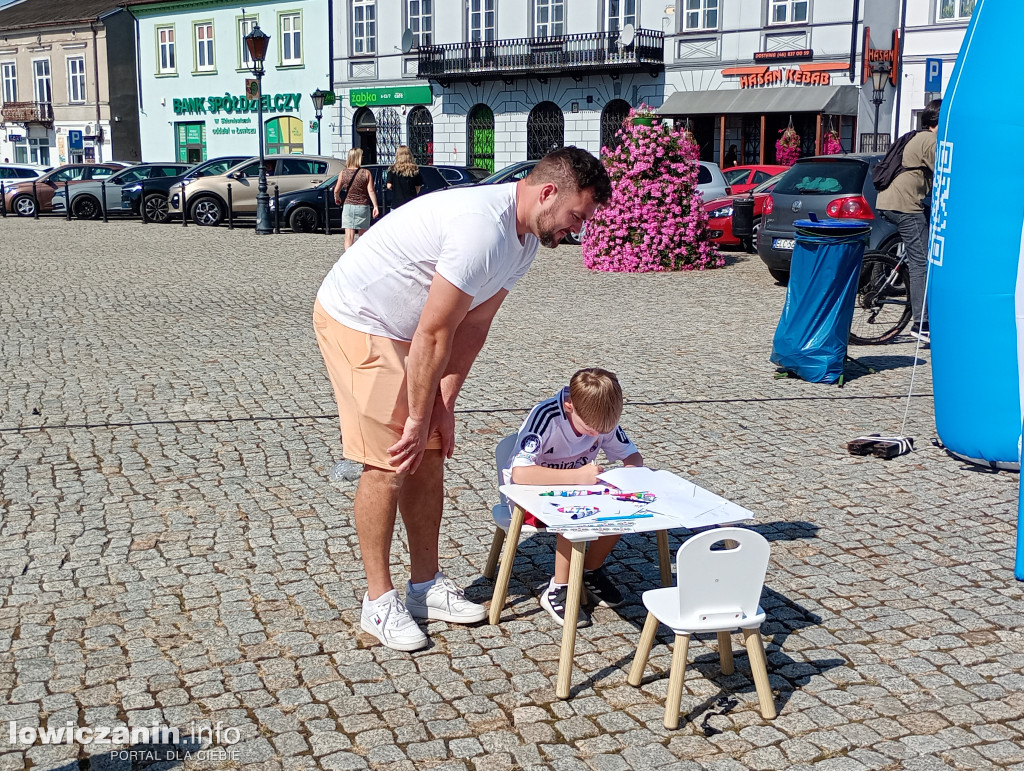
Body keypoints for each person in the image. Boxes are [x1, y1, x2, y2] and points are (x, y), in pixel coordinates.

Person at [313, 147, 611, 651]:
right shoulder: (481, 230)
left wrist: (442, 406)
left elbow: (473, 325)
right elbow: (434, 332)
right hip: (359, 318)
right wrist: (414, 417)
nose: (575, 230)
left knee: (429, 454)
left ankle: (424, 587)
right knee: (390, 459)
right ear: (546, 193)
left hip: (408, 330)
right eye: (575, 216)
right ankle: (377, 601)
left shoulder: (525, 243)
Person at [504, 368, 643, 627]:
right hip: (530, 494)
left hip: (577, 486)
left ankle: (589, 571)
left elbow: (632, 456)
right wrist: (578, 476)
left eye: (602, 430)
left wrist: (629, 477)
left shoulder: (599, 413)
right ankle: (559, 587)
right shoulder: (547, 416)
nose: (595, 435)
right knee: (573, 518)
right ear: (569, 406)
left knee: (621, 509)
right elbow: (520, 473)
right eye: (589, 429)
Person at [876, 98, 941, 344]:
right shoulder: (930, 141)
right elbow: (947, 171)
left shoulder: (914, 135)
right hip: (905, 205)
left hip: (890, 201)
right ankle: (921, 323)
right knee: (920, 263)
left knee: (924, 236)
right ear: (940, 120)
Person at [333, 148, 379, 252]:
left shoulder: (343, 173)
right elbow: (371, 190)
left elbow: (336, 190)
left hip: (348, 206)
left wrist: (337, 198)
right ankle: (361, 258)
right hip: (363, 206)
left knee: (349, 236)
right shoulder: (366, 173)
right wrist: (375, 206)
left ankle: (348, 258)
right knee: (363, 236)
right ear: (358, 158)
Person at [386, 145, 423, 209]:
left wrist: (396, 189)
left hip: (397, 204)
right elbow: (418, 187)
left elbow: (389, 186)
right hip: (411, 203)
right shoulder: (414, 169)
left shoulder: (393, 169)